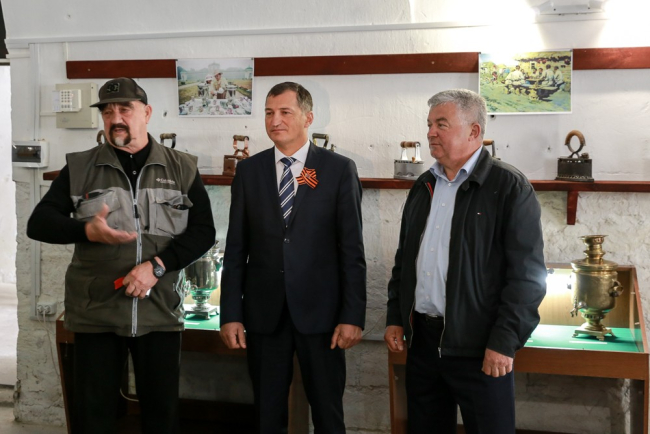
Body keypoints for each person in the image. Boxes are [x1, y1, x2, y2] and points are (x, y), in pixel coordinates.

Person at [27, 77, 216, 434]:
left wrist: (156, 267)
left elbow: (203, 231)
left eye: (125, 109)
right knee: (94, 416)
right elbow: (39, 223)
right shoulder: (80, 167)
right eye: (107, 111)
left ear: (146, 113)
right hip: (96, 311)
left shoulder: (182, 168)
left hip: (159, 310)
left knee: (161, 416)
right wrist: (86, 230)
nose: (116, 118)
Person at [384, 89, 546, 434]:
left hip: (480, 346)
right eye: (430, 124)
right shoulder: (424, 185)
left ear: (474, 131)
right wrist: (396, 317)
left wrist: (504, 341)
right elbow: (405, 260)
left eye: (441, 124)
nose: (431, 132)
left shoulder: (509, 186)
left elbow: (527, 277)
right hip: (423, 343)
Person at [219, 81, 367, 433]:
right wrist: (231, 314)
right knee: (267, 414)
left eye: (285, 112)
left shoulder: (337, 170)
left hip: (322, 315)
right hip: (264, 315)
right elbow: (236, 249)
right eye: (269, 113)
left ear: (308, 118)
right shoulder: (249, 171)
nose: (275, 121)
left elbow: (352, 250)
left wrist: (352, 315)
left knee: (328, 413)